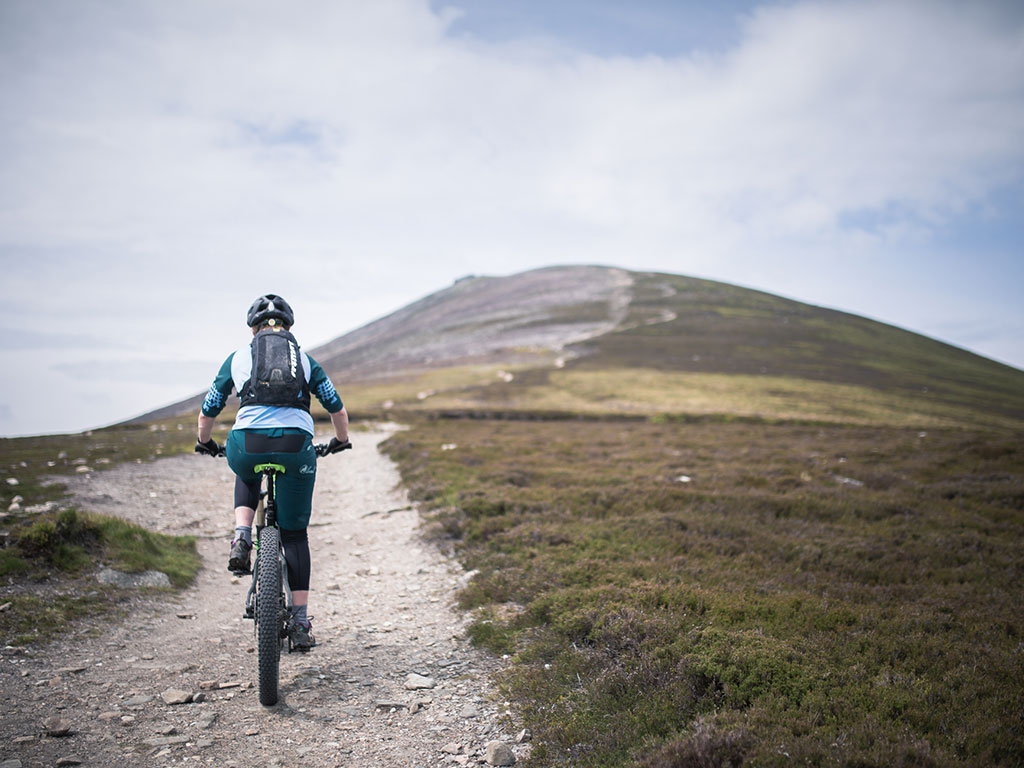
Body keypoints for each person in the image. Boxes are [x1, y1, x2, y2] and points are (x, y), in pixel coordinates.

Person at [194, 294, 349, 651]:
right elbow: (337, 410)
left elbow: (208, 412)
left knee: (244, 466)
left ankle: (242, 536)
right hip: (297, 448)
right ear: (289, 328)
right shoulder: (305, 362)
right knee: (294, 537)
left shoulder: (236, 359)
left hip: (247, 444)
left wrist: (206, 442)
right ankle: (299, 621)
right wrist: (340, 441)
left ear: (254, 329)